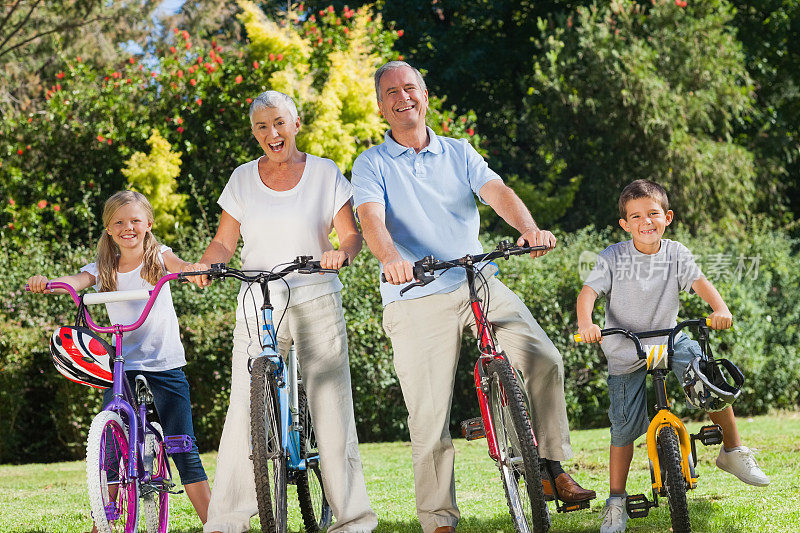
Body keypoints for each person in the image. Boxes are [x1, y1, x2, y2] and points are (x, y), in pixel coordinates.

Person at [351, 60, 595, 533]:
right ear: (381, 107)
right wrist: (389, 258)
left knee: (544, 359)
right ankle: (439, 519)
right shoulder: (371, 164)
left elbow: (495, 190)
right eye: (391, 94)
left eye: (410, 88)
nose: (403, 98)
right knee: (428, 416)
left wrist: (529, 230)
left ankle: (550, 469)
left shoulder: (458, 152)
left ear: (424, 94)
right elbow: (371, 219)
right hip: (415, 292)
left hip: (477, 280)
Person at [188, 90, 377, 533]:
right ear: (255, 133)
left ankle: (352, 521)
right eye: (261, 127)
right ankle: (226, 522)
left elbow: (351, 235)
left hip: (315, 294)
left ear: (296, 123)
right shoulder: (241, 179)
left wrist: (339, 254)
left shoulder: (325, 173)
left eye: (279, 123)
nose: (272, 133)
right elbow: (224, 242)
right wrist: (207, 263)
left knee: (331, 407)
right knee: (242, 413)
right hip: (259, 298)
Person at [576, 179, 770, 533]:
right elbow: (589, 292)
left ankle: (732, 451)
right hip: (625, 348)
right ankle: (616, 500)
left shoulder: (676, 253)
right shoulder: (613, 257)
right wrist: (586, 322)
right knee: (622, 426)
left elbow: (700, 283)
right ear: (624, 224)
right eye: (635, 216)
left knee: (708, 377)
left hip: (669, 338)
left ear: (667, 217)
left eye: (652, 214)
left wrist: (720, 308)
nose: (645, 222)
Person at [27, 190, 212, 528]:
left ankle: (216, 523)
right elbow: (75, 282)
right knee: (110, 445)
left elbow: (181, 267)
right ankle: (103, 521)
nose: (129, 228)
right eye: (119, 222)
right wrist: (48, 284)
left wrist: (193, 270)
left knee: (181, 445)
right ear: (109, 229)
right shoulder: (103, 267)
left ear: (149, 225)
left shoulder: (159, 258)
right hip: (122, 365)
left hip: (163, 362)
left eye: (135, 221)